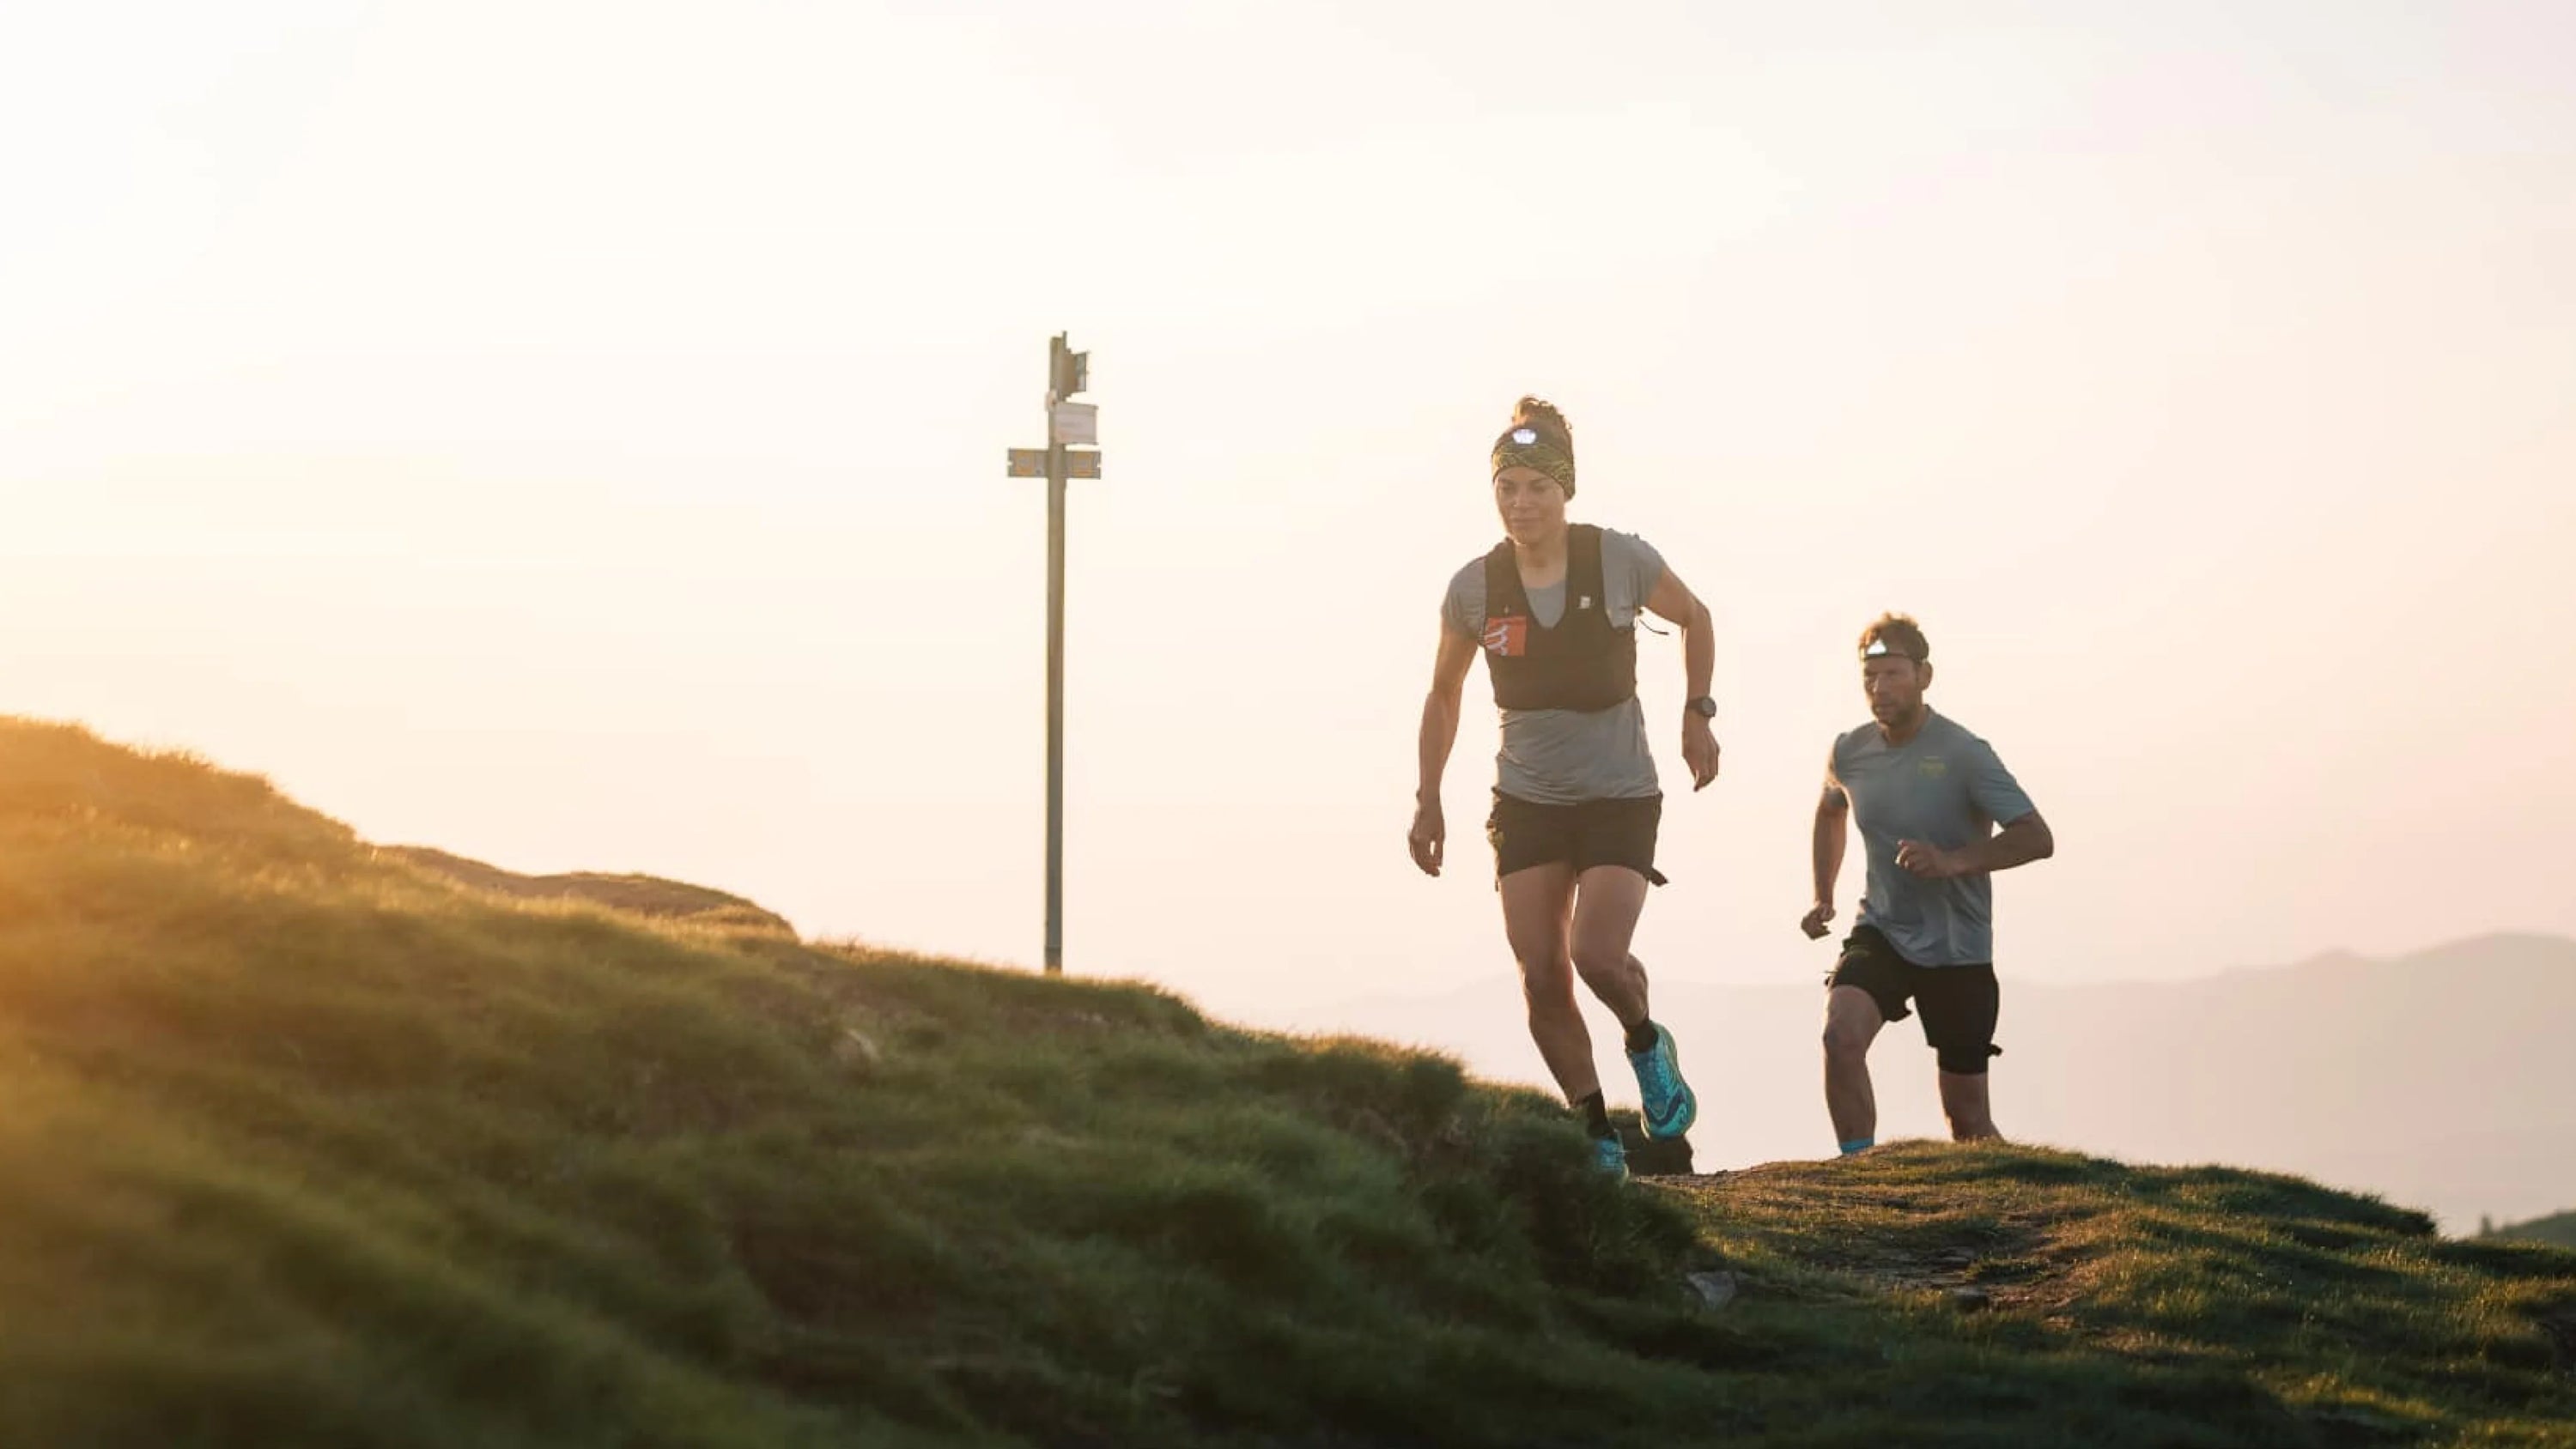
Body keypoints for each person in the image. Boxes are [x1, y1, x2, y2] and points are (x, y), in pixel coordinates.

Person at [1409, 396, 1720, 1178]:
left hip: (1619, 793)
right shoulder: (1474, 588)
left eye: (1537, 488)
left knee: (1597, 956)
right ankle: (1595, 1133)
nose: (1521, 503)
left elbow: (1697, 616)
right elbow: (1444, 693)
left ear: (1566, 491)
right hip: (1527, 800)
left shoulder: (1619, 559)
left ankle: (1647, 1045)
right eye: (1507, 487)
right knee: (1542, 972)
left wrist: (1697, 714)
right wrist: (1428, 795)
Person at [1803, 612, 2055, 1155]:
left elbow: (2036, 837)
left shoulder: (1964, 752)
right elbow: (1830, 811)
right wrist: (1823, 894)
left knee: (1967, 1122)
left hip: (1957, 947)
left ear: (1924, 675)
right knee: (1839, 1037)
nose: (1879, 688)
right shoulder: (1849, 751)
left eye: (1894, 674)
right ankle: (1858, 1173)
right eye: (1870, 677)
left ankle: (2038, 1198)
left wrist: (1952, 862)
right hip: (1882, 930)